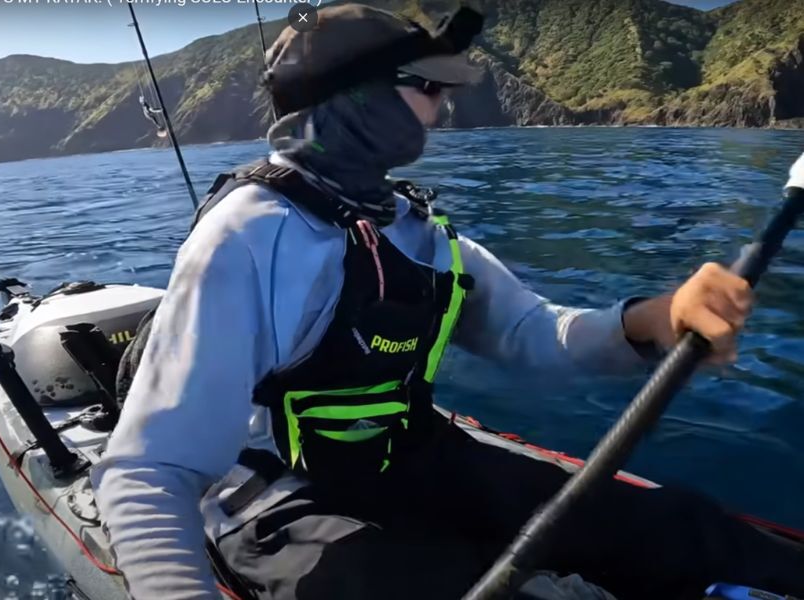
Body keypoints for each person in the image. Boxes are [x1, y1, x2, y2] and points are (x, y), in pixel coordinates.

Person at [91, 4, 804, 599]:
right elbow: (152, 472)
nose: (445, 105)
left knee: (675, 529)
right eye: (428, 87)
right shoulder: (249, 234)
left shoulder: (414, 226)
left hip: (411, 460)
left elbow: (531, 333)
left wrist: (654, 317)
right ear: (363, 95)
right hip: (276, 494)